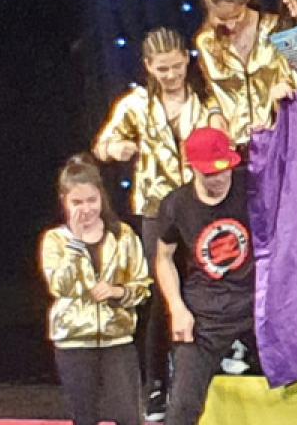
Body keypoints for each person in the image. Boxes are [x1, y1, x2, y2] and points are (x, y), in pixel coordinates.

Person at [93, 27, 208, 420]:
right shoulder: (136, 105)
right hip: (156, 208)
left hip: (199, 204)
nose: (171, 75)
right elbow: (102, 146)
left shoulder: (205, 100)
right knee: (160, 296)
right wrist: (117, 148)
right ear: (148, 67)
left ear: (187, 60)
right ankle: (156, 384)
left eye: (176, 66)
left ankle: (203, 373)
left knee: (205, 285)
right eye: (162, 69)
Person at [156, 128, 256, 424]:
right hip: (205, 317)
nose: (221, 179)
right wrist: (177, 308)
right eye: (211, 174)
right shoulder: (176, 205)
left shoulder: (251, 185)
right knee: (182, 407)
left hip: (256, 307)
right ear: (193, 168)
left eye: (225, 170)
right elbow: (163, 258)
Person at [41, 155, 150, 425]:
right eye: (77, 203)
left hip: (117, 338)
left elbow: (142, 285)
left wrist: (117, 292)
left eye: (91, 200)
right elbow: (60, 287)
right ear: (64, 202)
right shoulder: (55, 240)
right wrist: (76, 243)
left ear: (102, 197)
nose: (86, 209)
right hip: (74, 339)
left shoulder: (123, 235)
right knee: (85, 417)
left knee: (129, 416)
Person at [194, 0, 296, 148]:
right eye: (222, 19)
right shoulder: (207, 42)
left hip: (279, 138)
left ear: (246, 0)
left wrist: (284, 92)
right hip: (233, 146)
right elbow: (208, 91)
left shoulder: (276, 29)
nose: (231, 25)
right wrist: (214, 113)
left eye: (237, 16)